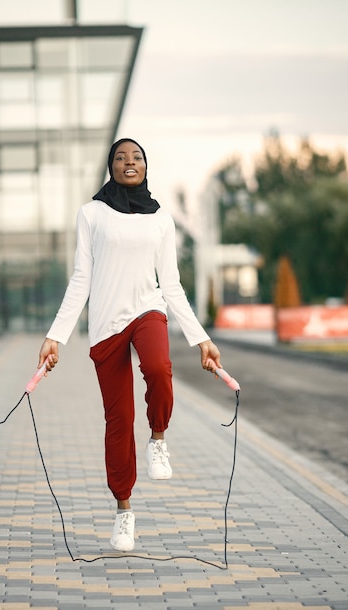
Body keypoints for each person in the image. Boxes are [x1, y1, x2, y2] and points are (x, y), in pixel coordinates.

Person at [38, 138, 222, 552]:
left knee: (158, 368)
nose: (129, 163)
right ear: (111, 166)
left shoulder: (161, 219)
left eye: (136, 157)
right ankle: (124, 511)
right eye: (120, 158)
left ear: (146, 165)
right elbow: (81, 279)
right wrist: (56, 336)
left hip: (147, 310)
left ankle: (158, 438)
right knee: (118, 420)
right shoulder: (91, 214)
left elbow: (171, 284)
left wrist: (201, 339)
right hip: (106, 325)